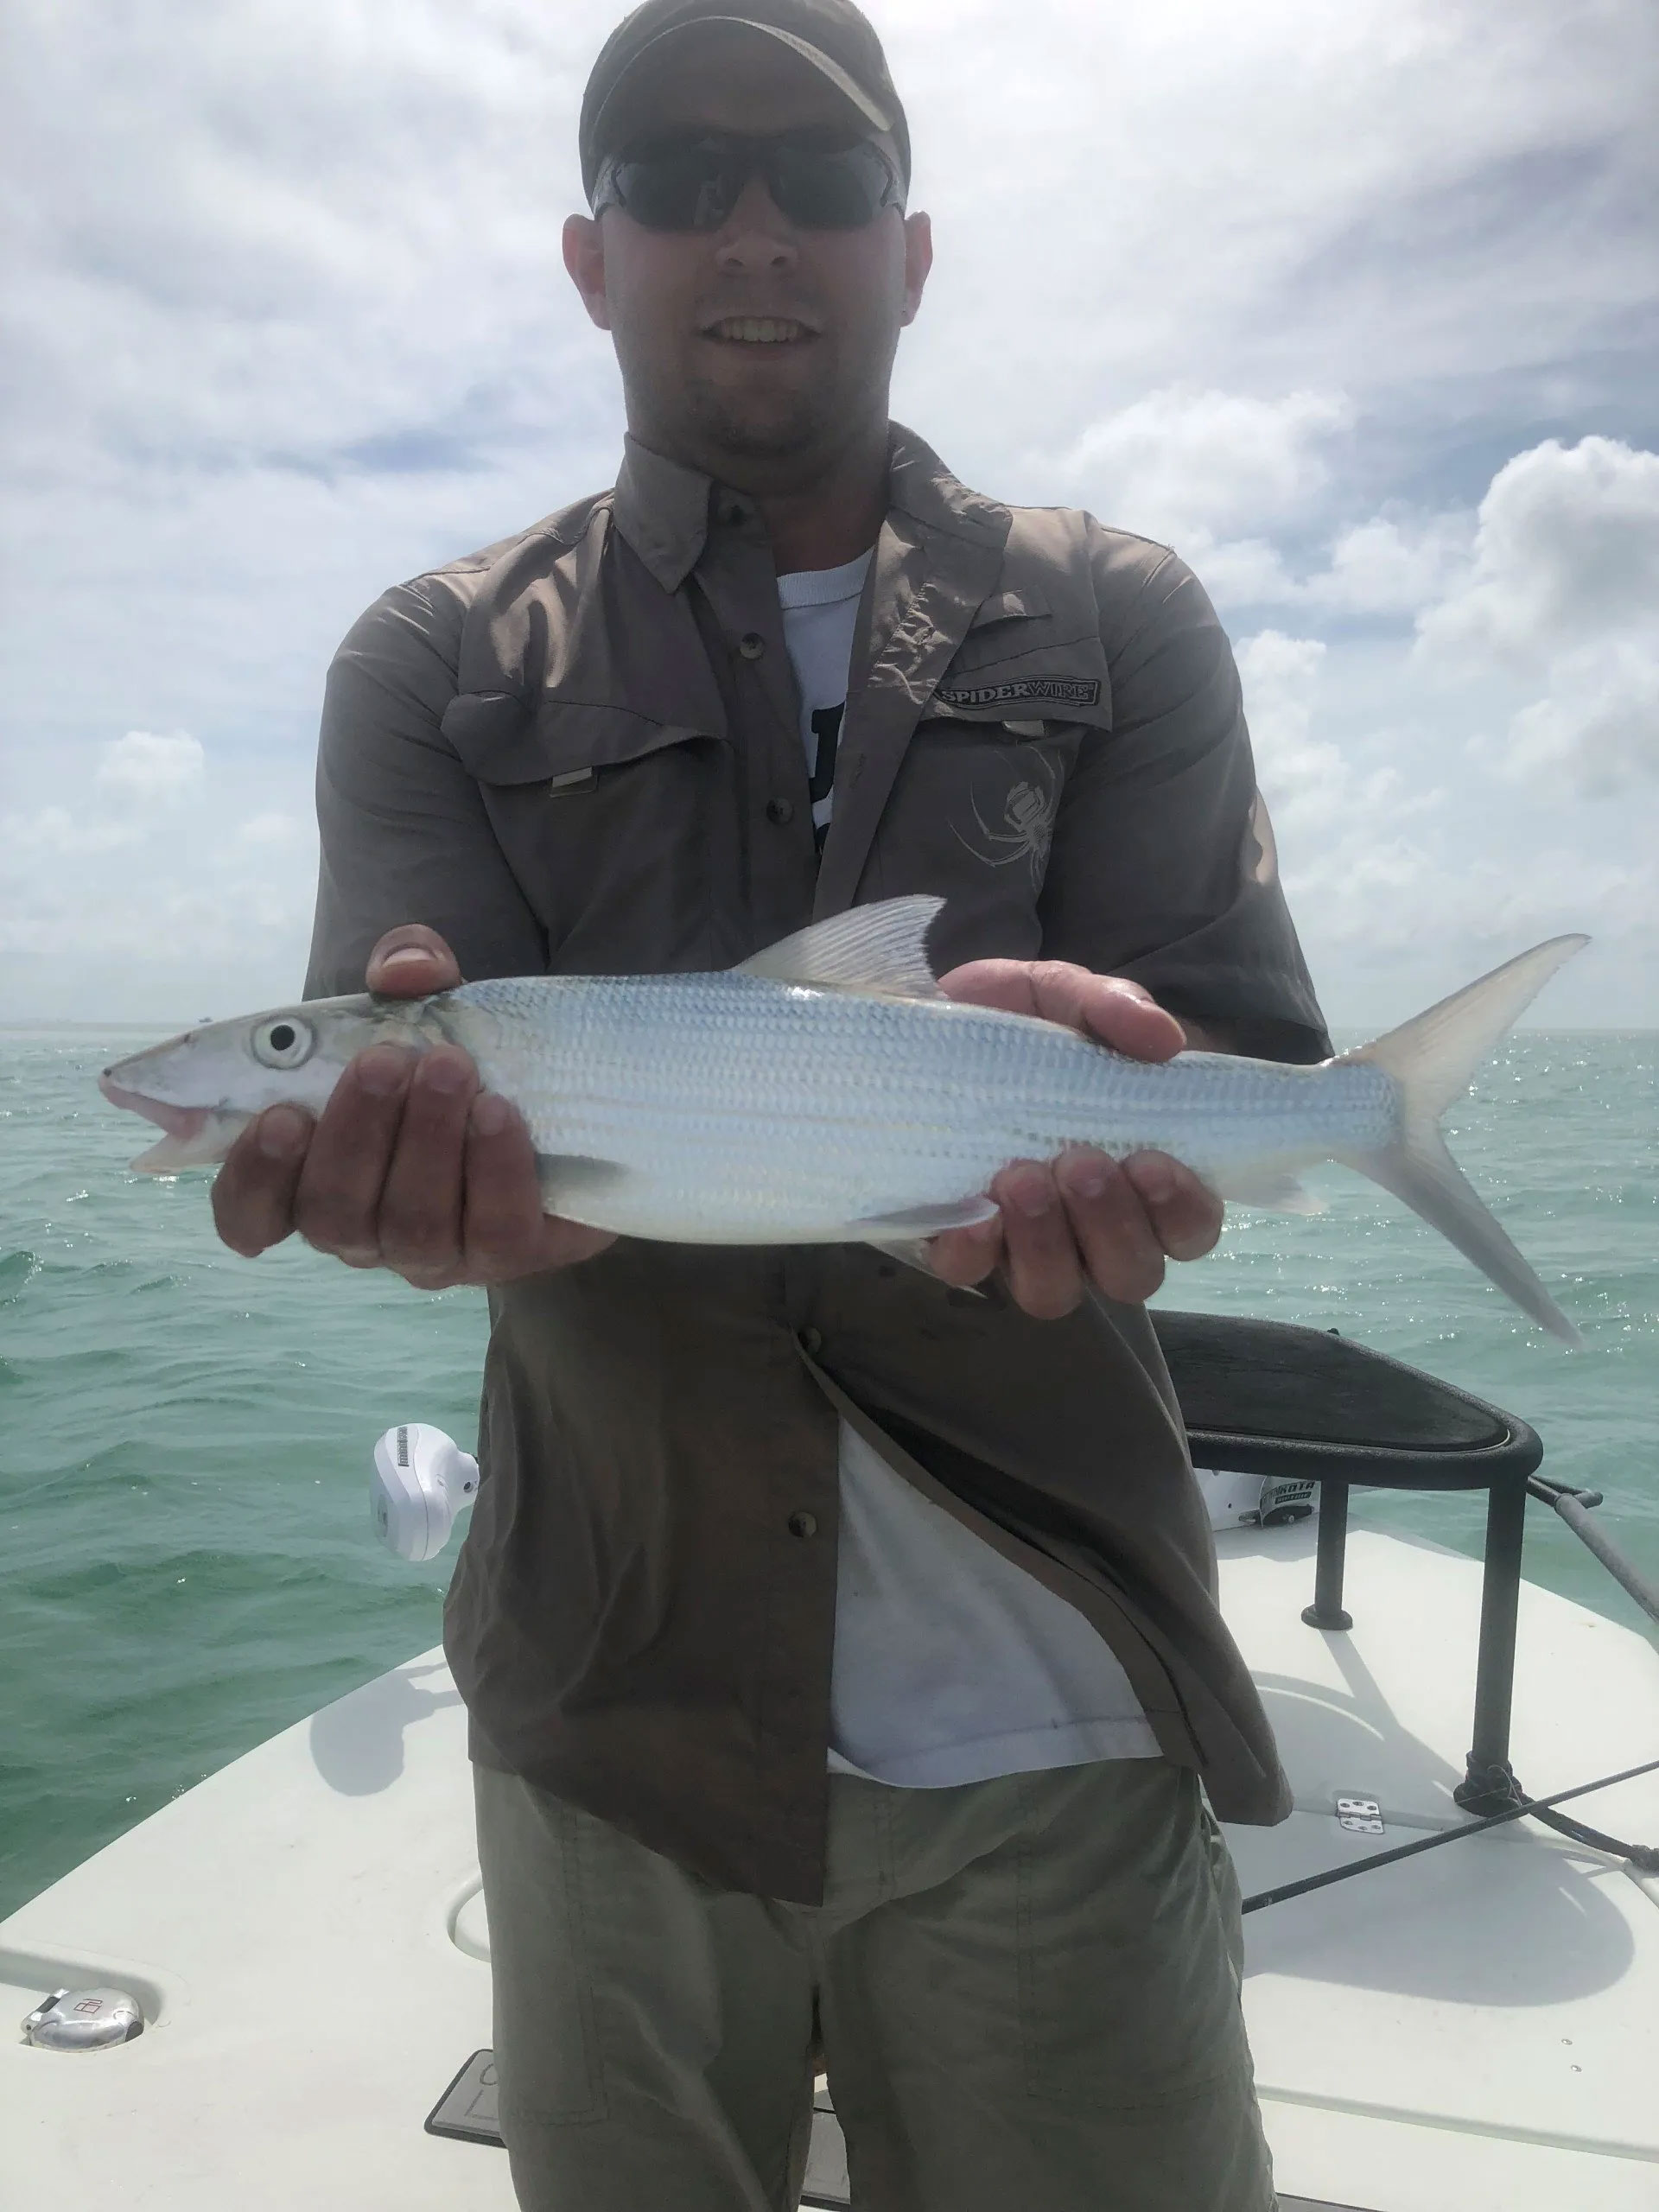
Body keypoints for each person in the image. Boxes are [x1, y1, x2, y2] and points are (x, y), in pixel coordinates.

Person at [213, 3, 1329, 2205]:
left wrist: (1143, 1113)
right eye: (674, 178)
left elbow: (1213, 1041)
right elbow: (404, 1042)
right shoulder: (434, 663)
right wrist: (428, 1194)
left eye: (818, 184)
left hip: (1060, 1688)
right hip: (611, 1700)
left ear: (907, 251)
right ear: (585, 248)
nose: (751, 231)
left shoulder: (1118, 616)